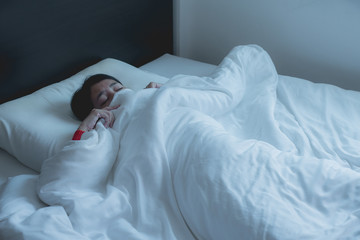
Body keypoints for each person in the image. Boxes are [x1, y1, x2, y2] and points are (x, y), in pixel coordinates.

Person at [71, 74, 162, 140]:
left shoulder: (151, 92)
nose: (117, 94)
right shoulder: (105, 129)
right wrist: (84, 126)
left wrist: (161, 91)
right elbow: (76, 156)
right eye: (104, 100)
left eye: (119, 89)